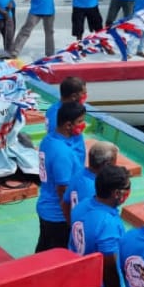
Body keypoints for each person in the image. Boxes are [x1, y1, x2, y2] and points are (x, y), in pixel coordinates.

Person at [70, 163, 131, 287]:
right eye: (126, 189)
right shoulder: (108, 224)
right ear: (117, 193)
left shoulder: (81, 206)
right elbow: (109, 271)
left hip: (80, 285)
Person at [36, 101, 86, 252]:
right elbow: (63, 190)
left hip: (46, 208)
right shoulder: (62, 153)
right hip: (58, 217)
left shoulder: (48, 140)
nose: (83, 125)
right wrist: (71, 220)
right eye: (80, 121)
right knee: (55, 256)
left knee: (44, 248)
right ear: (68, 125)